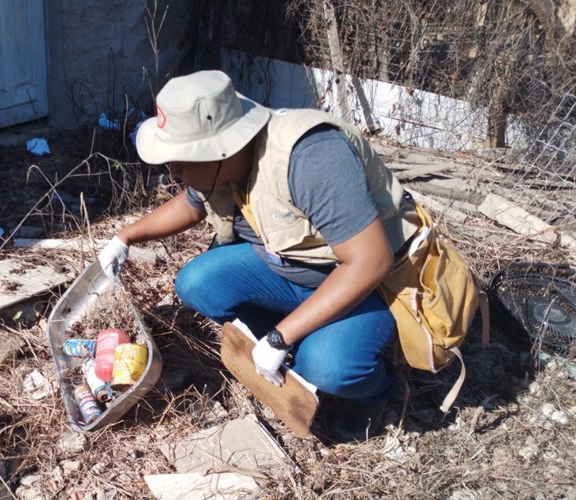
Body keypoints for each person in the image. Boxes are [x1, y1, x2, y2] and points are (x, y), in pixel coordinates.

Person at [98, 70, 420, 443]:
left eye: (181, 159)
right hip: (288, 272)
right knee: (196, 283)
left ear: (222, 148)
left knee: (331, 367)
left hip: (362, 287)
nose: (173, 170)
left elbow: (370, 262)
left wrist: (281, 338)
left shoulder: (311, 156)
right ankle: (299, 335)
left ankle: (372, 392)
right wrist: (125, 236)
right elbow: (190, 205)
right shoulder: (222, 166)